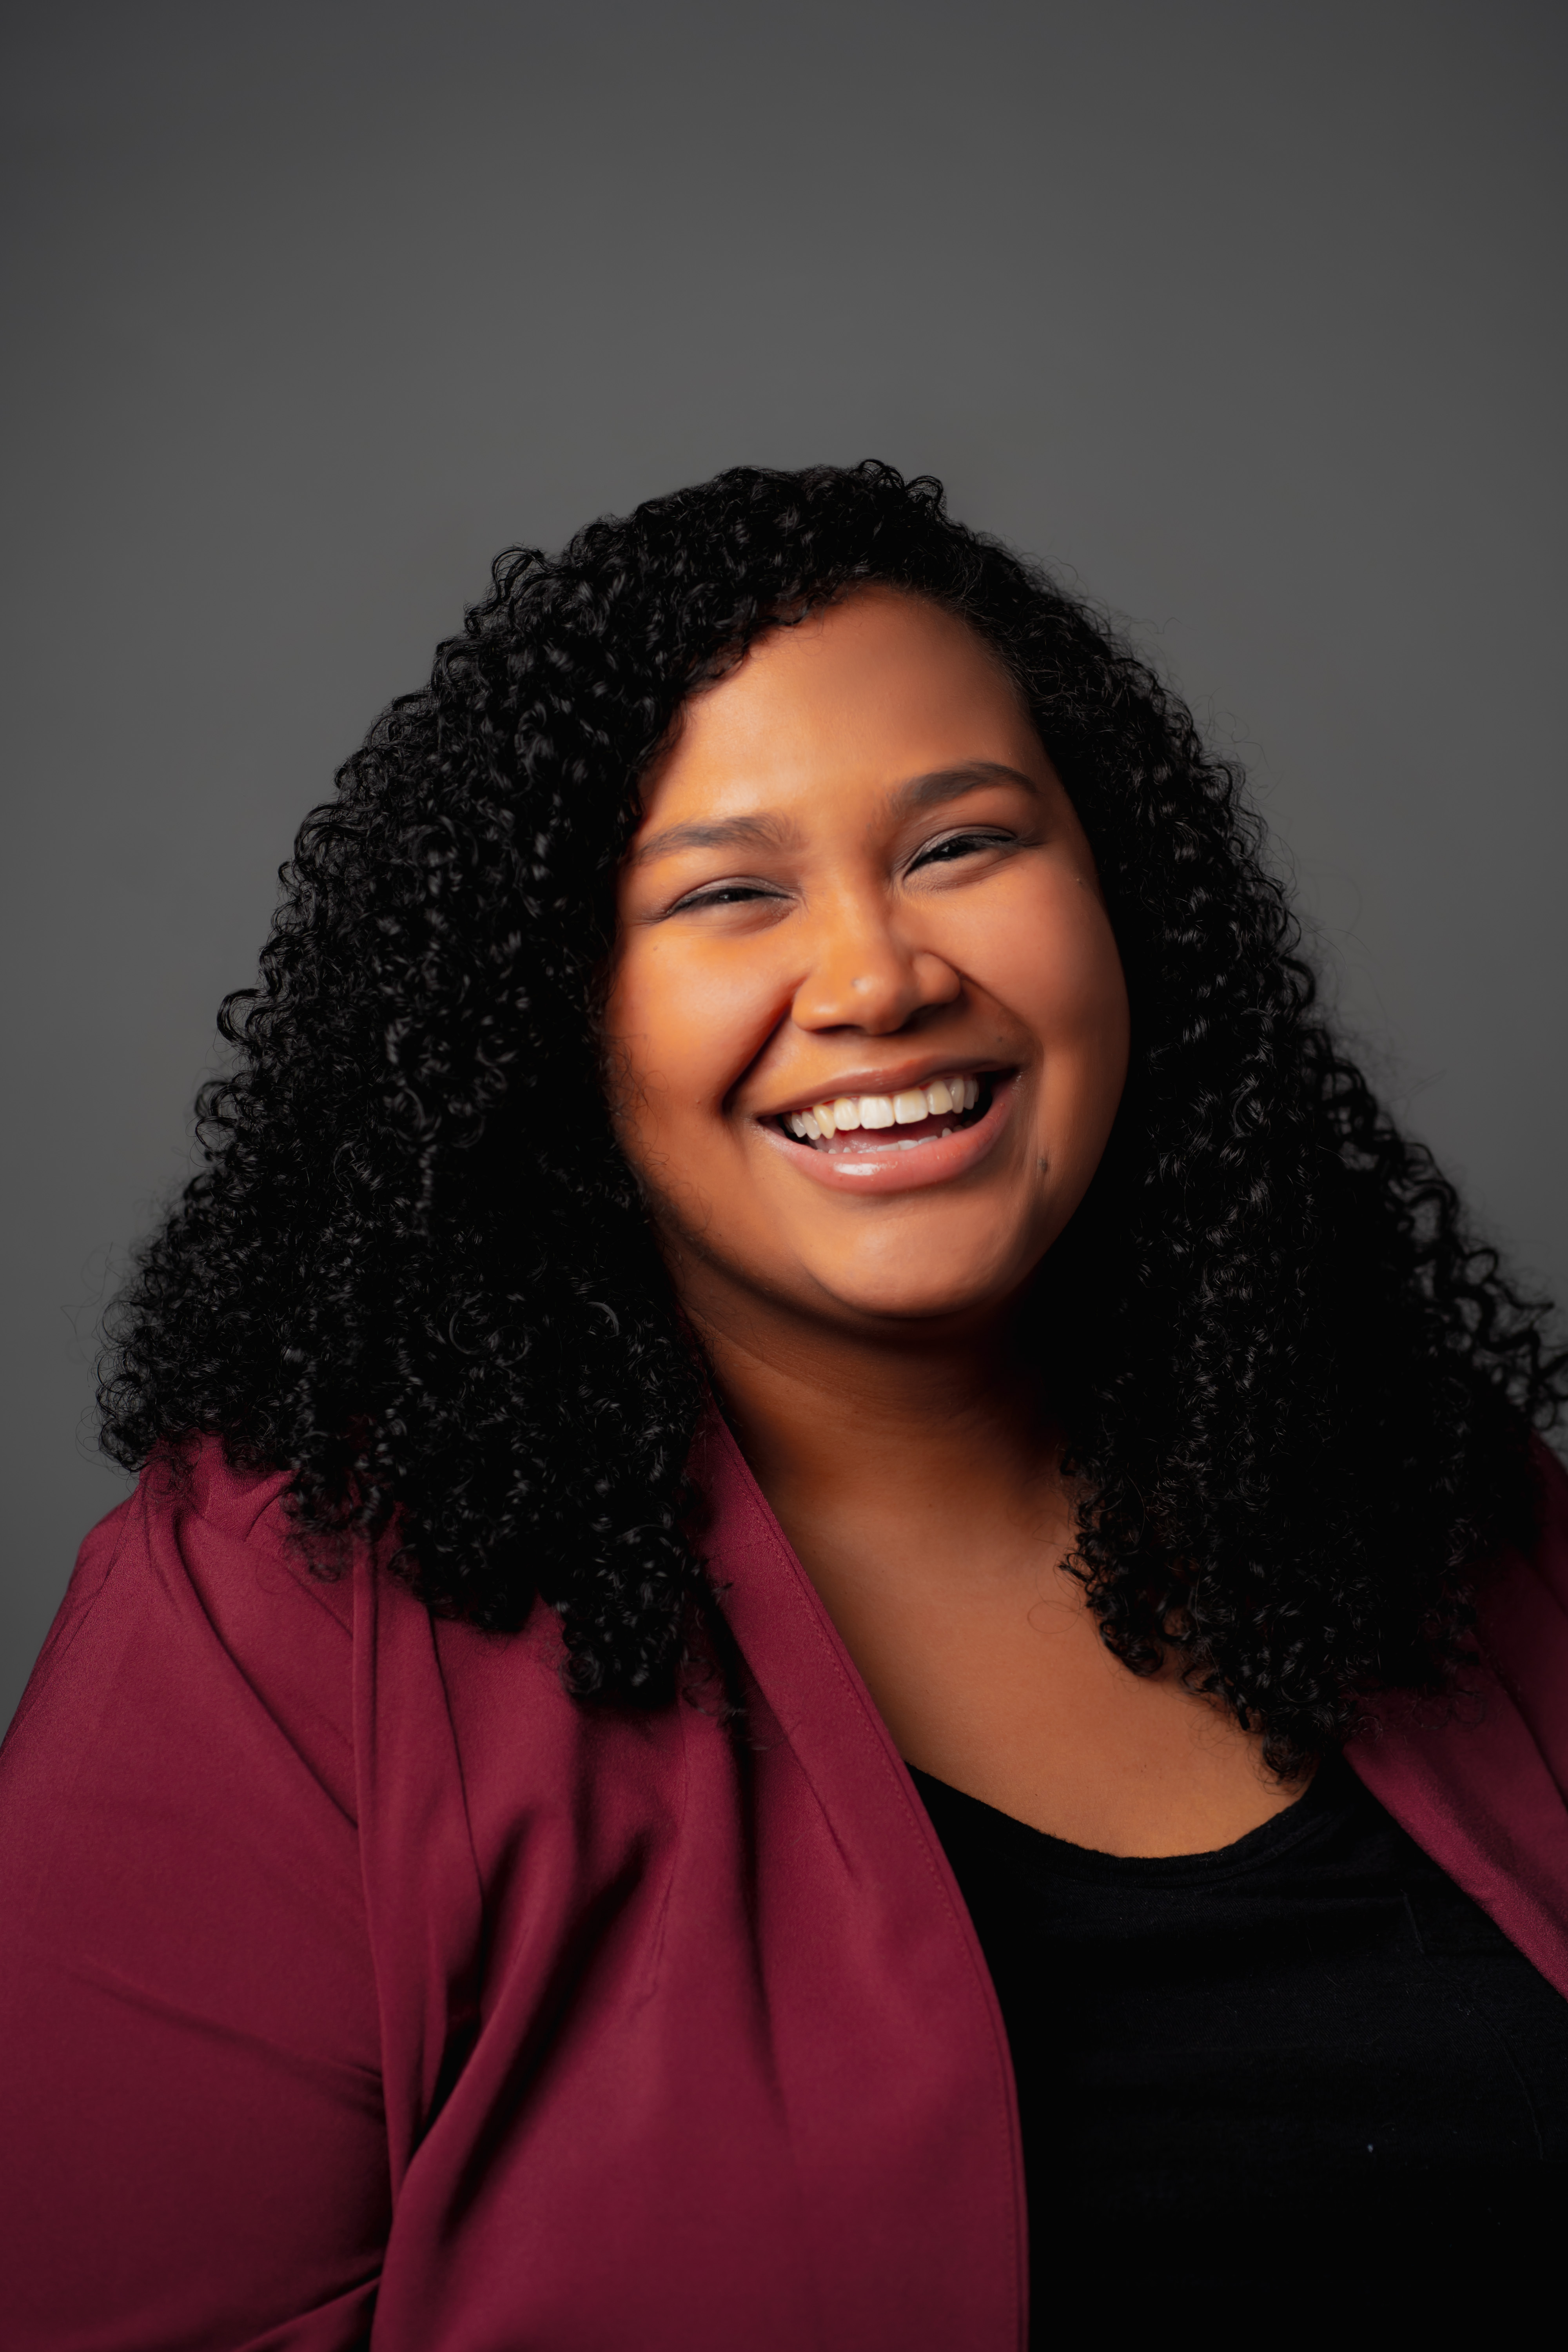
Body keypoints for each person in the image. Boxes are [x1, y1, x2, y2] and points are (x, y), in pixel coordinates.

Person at [4, 462, 1566, 2351]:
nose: (879, 977)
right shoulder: (276, 1625)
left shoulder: (1439, 1507)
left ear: (1124, 902)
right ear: (552, 1013)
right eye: (728, 893)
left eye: (964, 846)